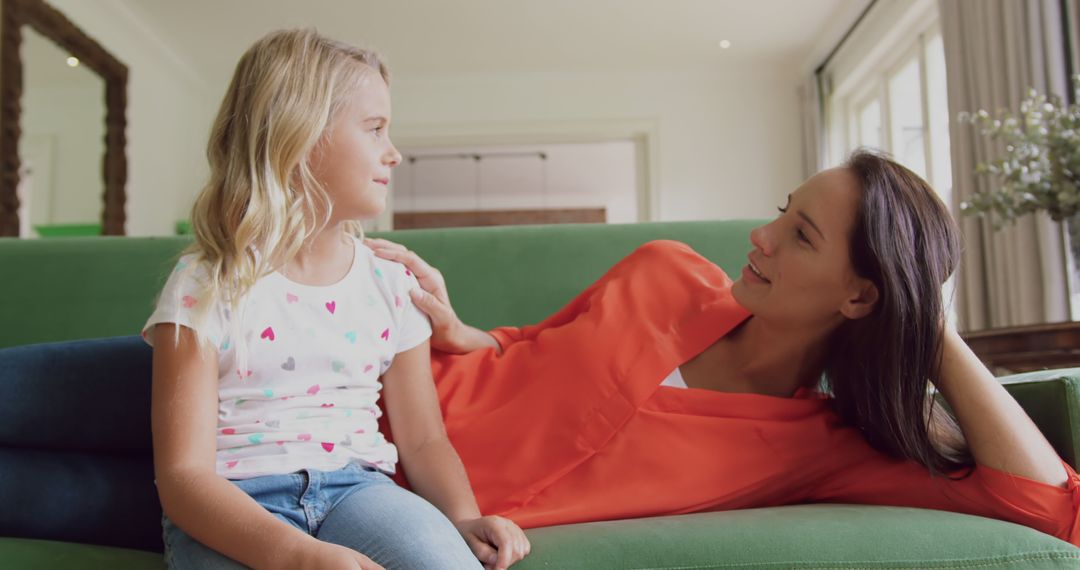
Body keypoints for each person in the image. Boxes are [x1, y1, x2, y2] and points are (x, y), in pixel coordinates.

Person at [366, 149, 1080, 546]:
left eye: (801, 236)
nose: (761, 238)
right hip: (376, 398)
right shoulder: (663, 267)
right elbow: (534, 345)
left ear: (860, 297)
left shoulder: (821, 447)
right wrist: (467, 335)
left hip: (396, 510)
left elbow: (1050, 512)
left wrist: (931, 331)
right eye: (782, 212)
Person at [144, 29, 529, 570]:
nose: (393, 154)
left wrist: (463, 518)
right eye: (374, 130)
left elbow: (422, 441)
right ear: (297, 137)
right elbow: (184, 478)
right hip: (237, 502)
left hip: (359, 490)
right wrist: (296, 556)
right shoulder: (203, 284)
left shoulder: (391, 284)